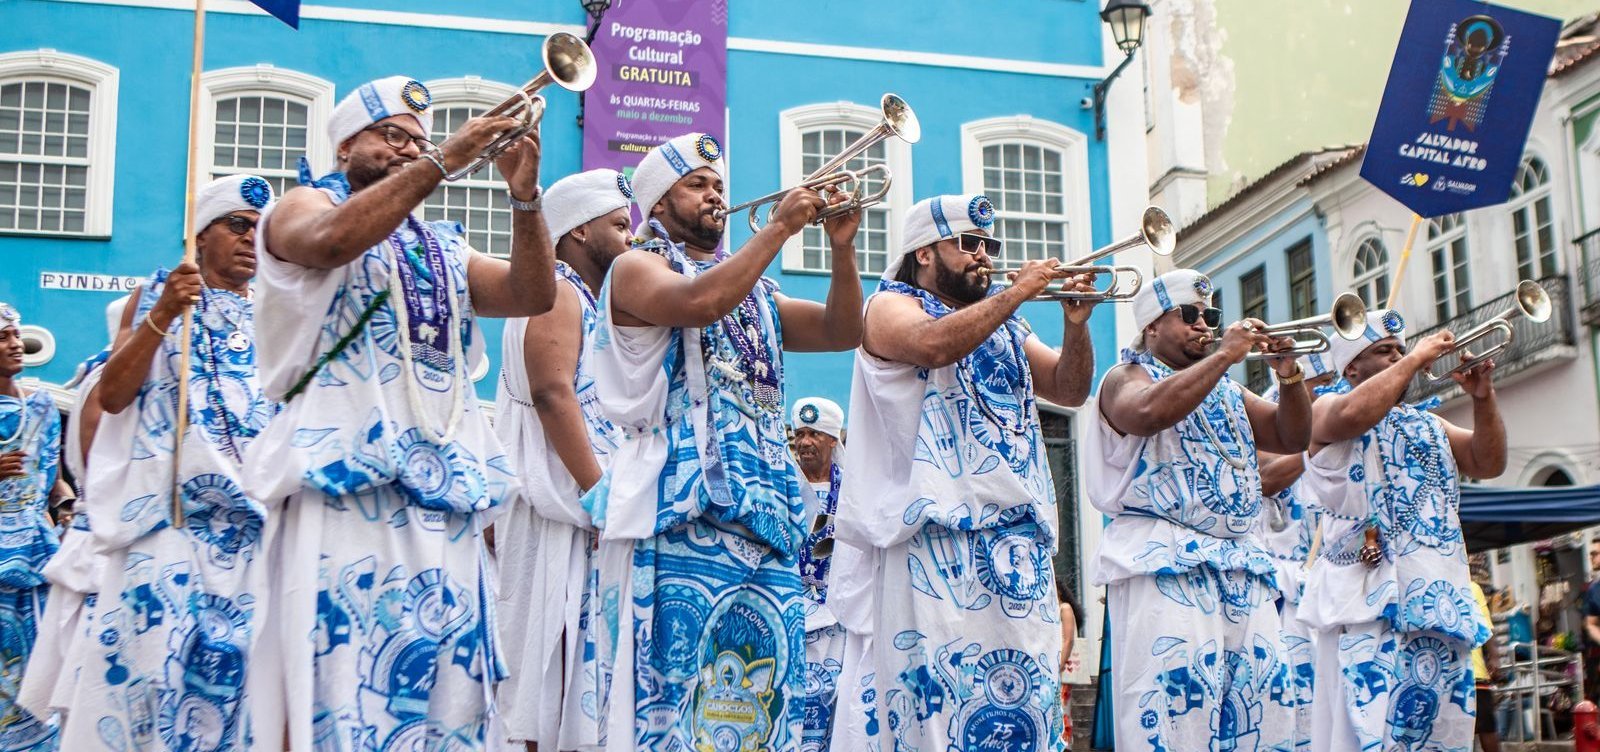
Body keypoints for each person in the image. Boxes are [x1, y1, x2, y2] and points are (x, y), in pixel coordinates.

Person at [242, 76, 555, 750]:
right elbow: (326, 243)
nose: (410, 149)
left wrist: (524, 197)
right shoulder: (301, 204)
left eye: (419, 140)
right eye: (393, 136)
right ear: (346, 142)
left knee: (448, 696)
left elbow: (532, 292)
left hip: (446, 493)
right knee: (342, 683)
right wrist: (445, 157)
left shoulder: (441, 244)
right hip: (346, 486)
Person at [581, 131, 863, 751]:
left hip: (767, 521)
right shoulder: (636, 268)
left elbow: (843, 330)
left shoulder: (757, 293)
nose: (714, 195)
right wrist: (780, 230)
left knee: (759, 704)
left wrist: (842, 250)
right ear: (656, 204)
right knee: (673, 696)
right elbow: (700, 301)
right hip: (680, 512)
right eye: (696, 184)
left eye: (718, 186)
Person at [833, 193, 1097, 750]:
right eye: (969, 244)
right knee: (940, 706)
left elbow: (1069, 389)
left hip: (1018, 542)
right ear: (924, 253)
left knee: (1026, 706)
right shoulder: (888, 305)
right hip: (935, 538)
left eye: (990, 246)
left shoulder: (1006, 321)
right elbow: (933, 345)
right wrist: (1020, 289)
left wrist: (1076, 325)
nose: (984, 256)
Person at [45, 175, 278, 750]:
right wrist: (166, 314)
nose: (251, 239)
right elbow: (114, 395)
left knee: (239, 694)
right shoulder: (158, 294)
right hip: (170, 523)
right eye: (237, 225)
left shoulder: (278, 308)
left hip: (254, 532)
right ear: (200, 236)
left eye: (261, 230)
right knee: (153, 683)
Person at [1086, 269, 1309, 751]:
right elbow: (1147, 414)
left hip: (1241, 566)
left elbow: (1294, 437)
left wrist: (1289, 376)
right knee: (1173, 708)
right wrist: (1228, 354)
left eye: (1209, 315)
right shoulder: (1125, 377)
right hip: (1164, 560)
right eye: (1189, 315)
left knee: (1264, 706)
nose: (1204, 324)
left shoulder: (1228, 391)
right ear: (1151, 327)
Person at [1298, 310, 1504, 752]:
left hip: (1440, 606)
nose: (1398, 356)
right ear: (1351, 366)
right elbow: (1354, 414)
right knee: (1368, 734)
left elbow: (1488, 462)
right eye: (1383, 351)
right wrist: (1416, 358)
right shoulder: (1326, 407)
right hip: (1368, 609)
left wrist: (1483, 399)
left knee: (1441, 739)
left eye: (1400, 349)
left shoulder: (1430, 424)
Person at [494, 168, 633, 751]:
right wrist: (598, 493)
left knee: (579, 678)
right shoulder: (556, 290)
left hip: (584, 513)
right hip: (559, 511)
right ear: (578, 231)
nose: (631, 238)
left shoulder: (589, 298)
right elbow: (554, 393)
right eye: (619, 225)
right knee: (546, 676)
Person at [1256, 352, 1338, 752]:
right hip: (1282, 586)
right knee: (1287, 699)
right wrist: (1316, 450)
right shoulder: (1269, 413)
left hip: (1331, 580)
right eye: (1317, 382)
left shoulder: (1338, 416)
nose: (1326, 391)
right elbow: (1262, 479)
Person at [0, 302, 64, 751]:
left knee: (37, 659)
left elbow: (51, 476)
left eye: (16, 334)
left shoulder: (42, 404)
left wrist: (69, 505)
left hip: (35, 552)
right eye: (3, 337)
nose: (15, 344)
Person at [790, 396, 846, 752]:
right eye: (800, 434)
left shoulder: (856, 489)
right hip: (791, 616)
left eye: (814, 434)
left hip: (841, 622)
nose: (805, 442)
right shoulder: (781, 484)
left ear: (832, 440)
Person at [1471, 579, 1504, 752]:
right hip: (1444, 674)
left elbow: (1486, 625)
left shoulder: (1472, 587)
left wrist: (1494, 657)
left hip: (1474, 672)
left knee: (1486, 727)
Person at [1056, 578, 1082, 750]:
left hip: (1061, 666)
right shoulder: (1051, 609)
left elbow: (1069, 640)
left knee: (1063, 707)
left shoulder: (1064, 608)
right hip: (1056, 666)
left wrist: (1058, 665)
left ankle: (1065, 745)